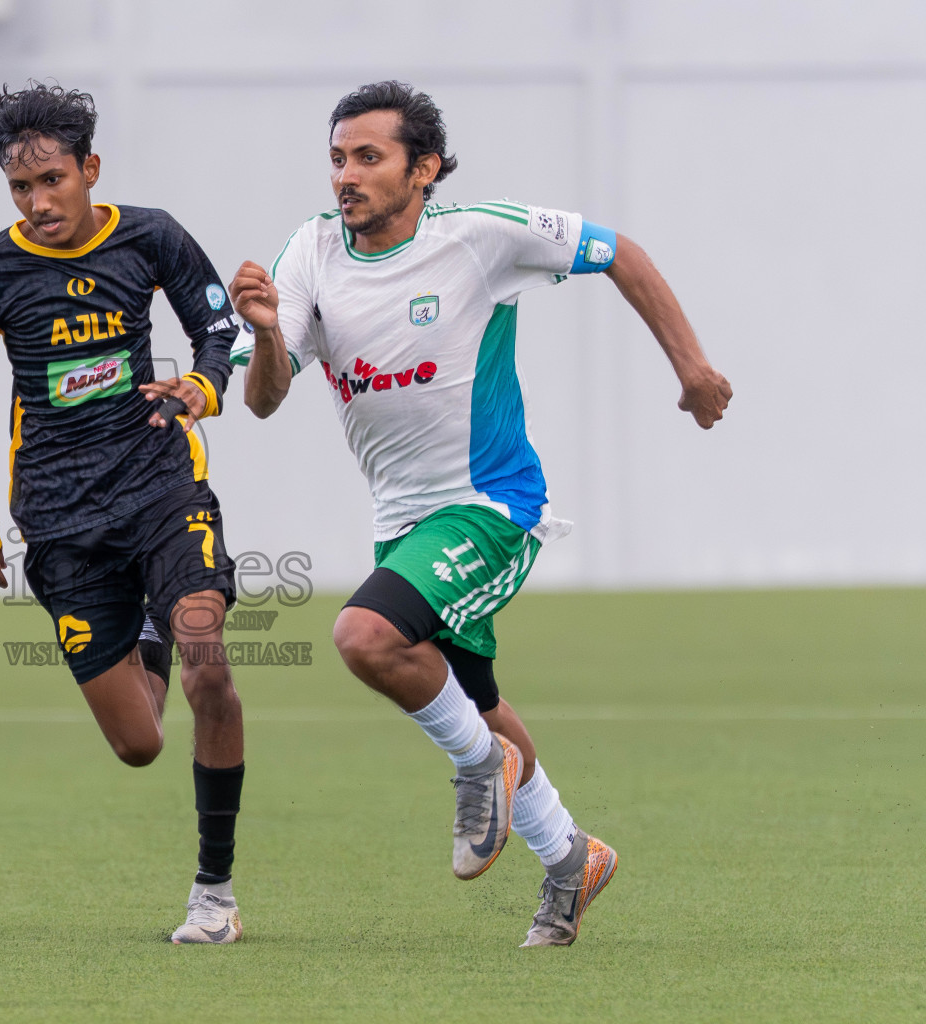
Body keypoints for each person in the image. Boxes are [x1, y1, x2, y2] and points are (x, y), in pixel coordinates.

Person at [228, 81, 731, 947]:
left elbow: (623, 254)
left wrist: (692, 369)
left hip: (491, 506)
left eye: (370, 157)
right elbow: (264, 401)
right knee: (477, 702)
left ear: (422, 170)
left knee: (364, 637)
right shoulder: (310, 253)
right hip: (404, 524)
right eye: (339, 157)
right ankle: (573, 857)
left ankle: (475, 769)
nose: (347, 175)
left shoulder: (479, 238)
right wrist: (270, 331)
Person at [0, 82, 248, 944]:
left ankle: (213, 894)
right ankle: (140, 636)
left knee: (207, 659)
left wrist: (203, 385)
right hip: (60, 518)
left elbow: (221, 330)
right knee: (140, 744)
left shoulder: (151, 236)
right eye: (20, 188)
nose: (39, 203)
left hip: (160, 487)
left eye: (52, 180)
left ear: (90, 170)